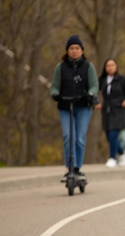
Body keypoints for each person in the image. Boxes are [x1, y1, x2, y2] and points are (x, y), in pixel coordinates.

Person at [49, 35, 99, 180]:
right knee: (68, 136)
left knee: (80, 138)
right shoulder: (61, 67)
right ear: (67, 51)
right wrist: (55, 94)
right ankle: (69, 166)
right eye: (72, 48)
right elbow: (54, 87)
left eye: (77, 48)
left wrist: (91, 94)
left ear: (82, 50)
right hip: (65, 106)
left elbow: (95, 85)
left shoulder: (88, 66)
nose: (74, 51)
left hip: (83, 106)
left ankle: (77, 168)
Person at [95, 58, 125, 168]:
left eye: (112, 65)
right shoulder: (102, 80)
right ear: (105, 68)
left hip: (119, 110)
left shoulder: (121, 80)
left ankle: (112, 158)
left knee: (114, 133)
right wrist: (95, 102)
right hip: (106, 111)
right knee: (109, 136)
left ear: (116, 67)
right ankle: (123, 153)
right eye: (108, 66)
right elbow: (93, 90)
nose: (110, 67)